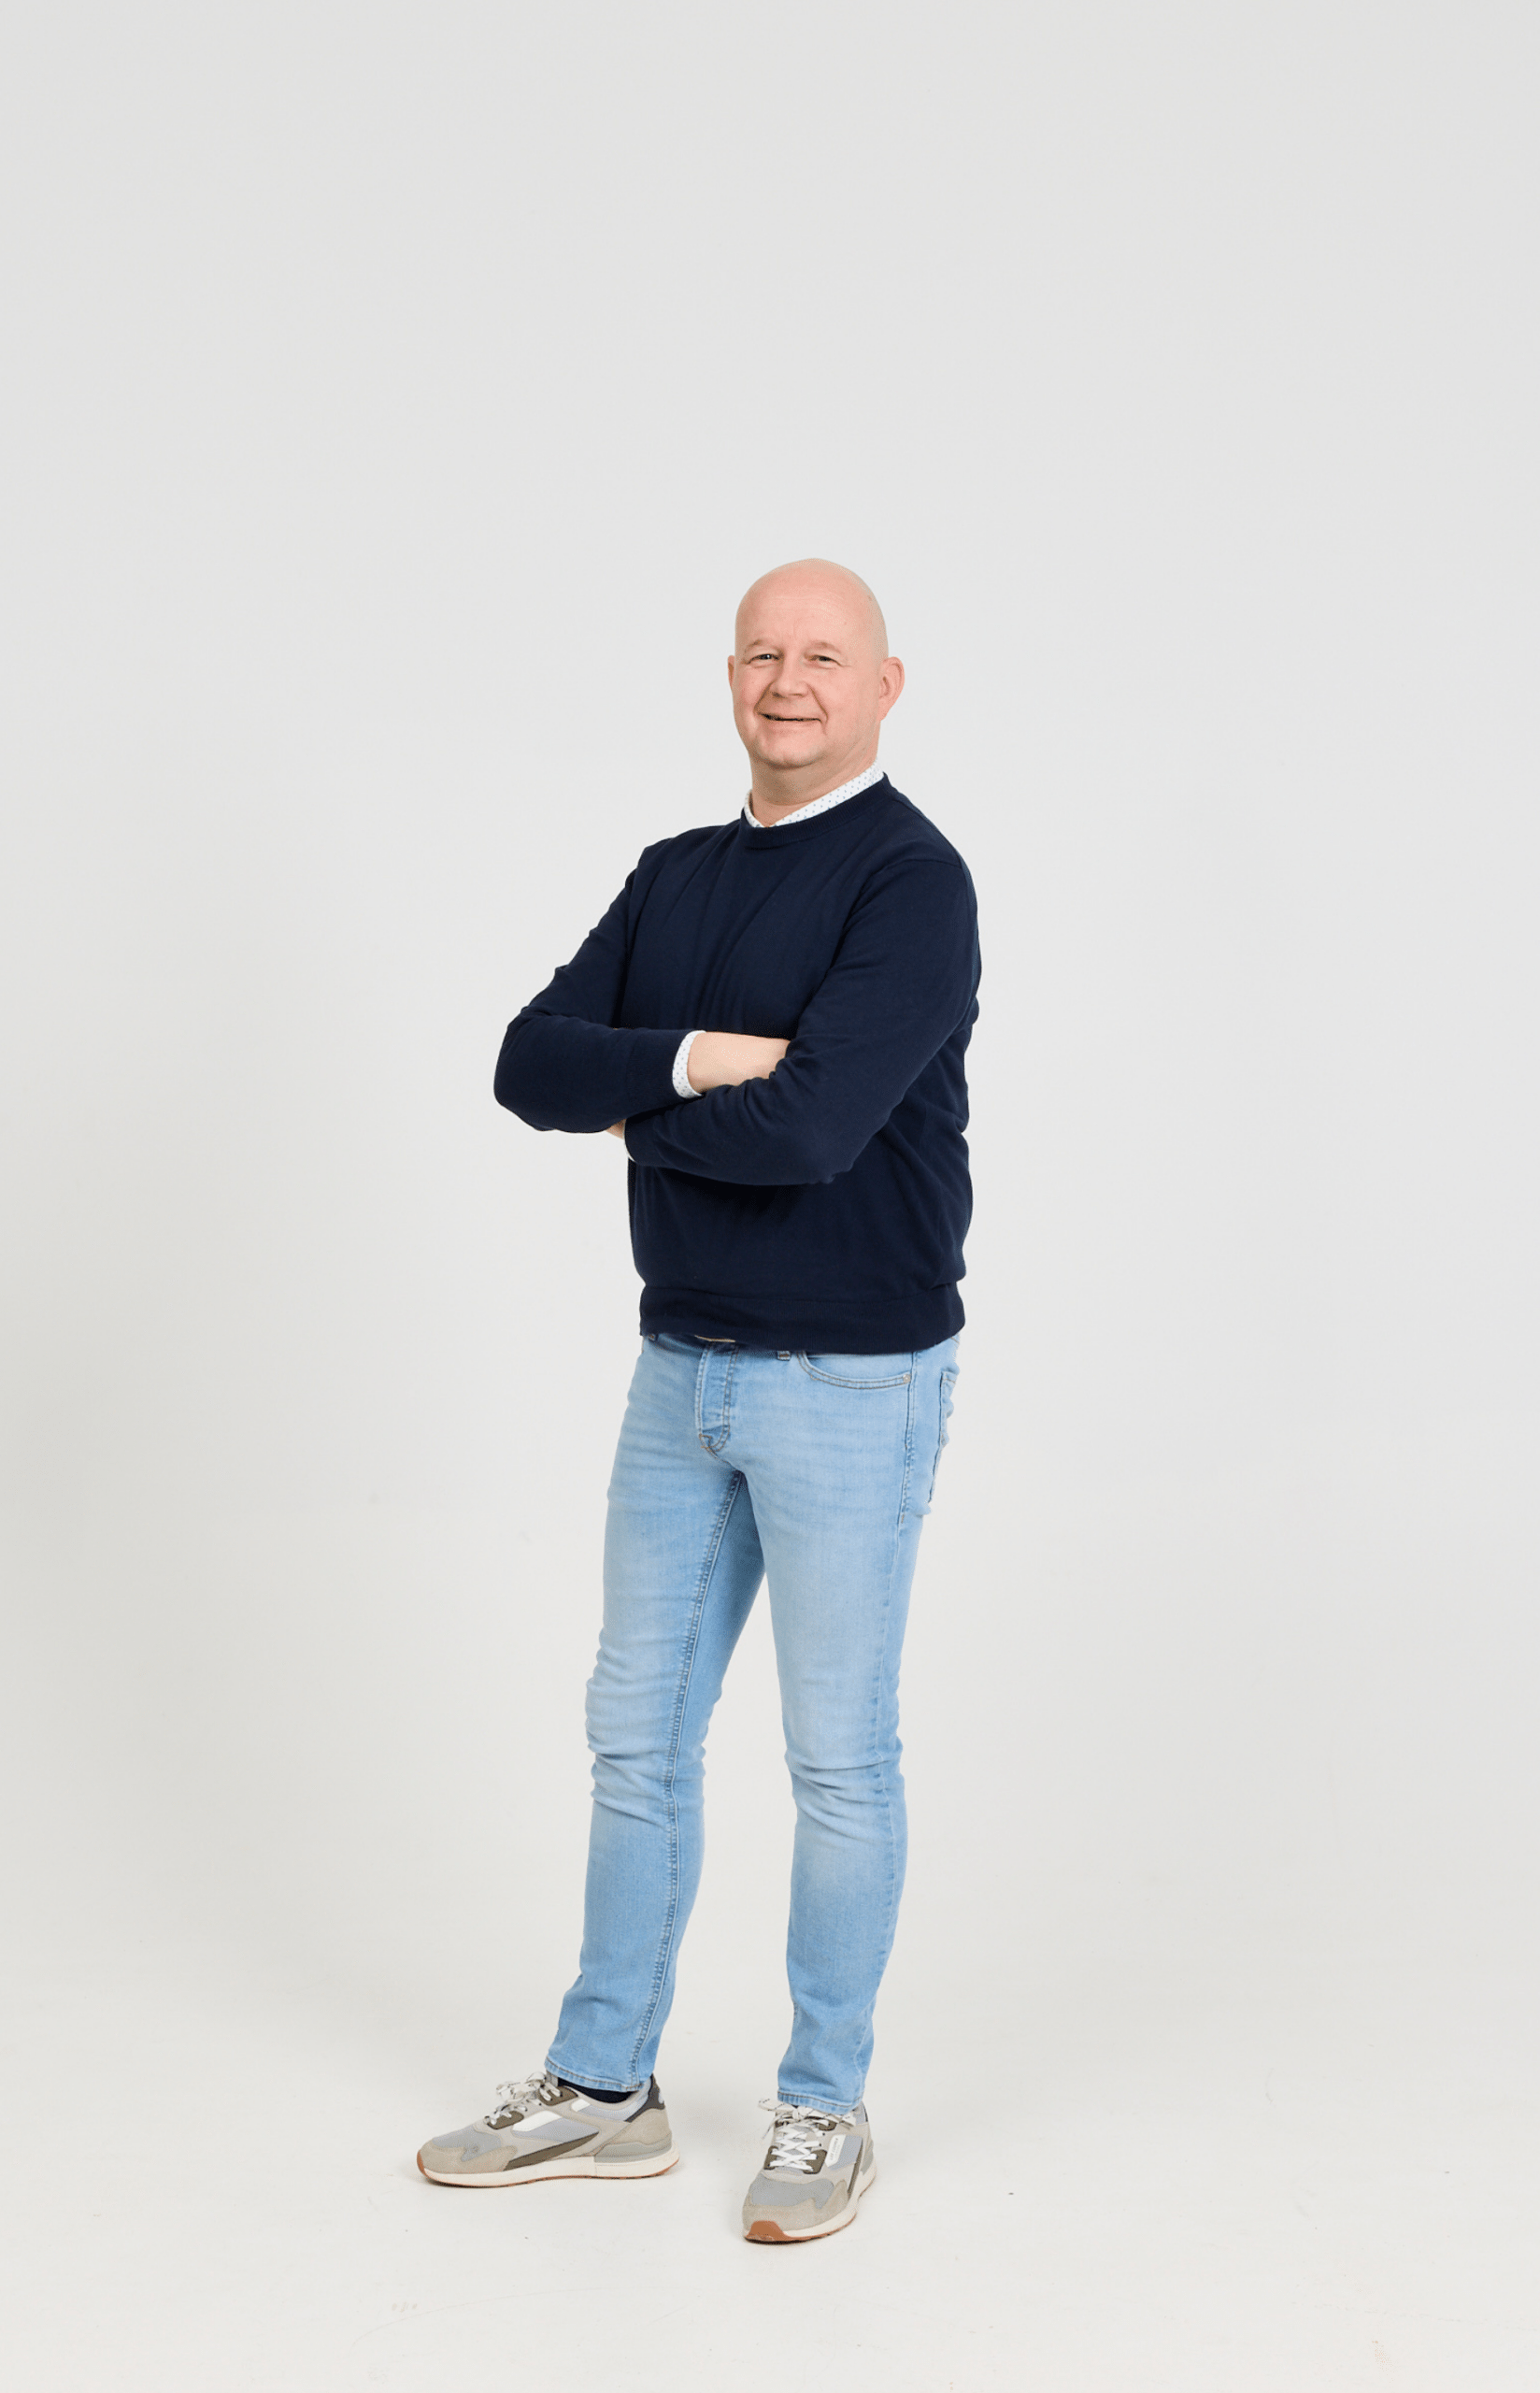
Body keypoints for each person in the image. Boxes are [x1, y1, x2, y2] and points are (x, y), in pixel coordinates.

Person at [416, 558, 979, 2242]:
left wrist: (630, 1103)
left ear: (884, 685)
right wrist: (695, 1058)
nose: (787, 681)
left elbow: (813, 1133)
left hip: (849, 1379)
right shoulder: (674, 873)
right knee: (634, 1737)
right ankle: (606, 2088)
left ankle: (823, 2104)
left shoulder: (911, 883)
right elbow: (526, 1061)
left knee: (838, 1759)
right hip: (680, 1367)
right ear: (729, 676)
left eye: (823, 656)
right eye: (760, 653)